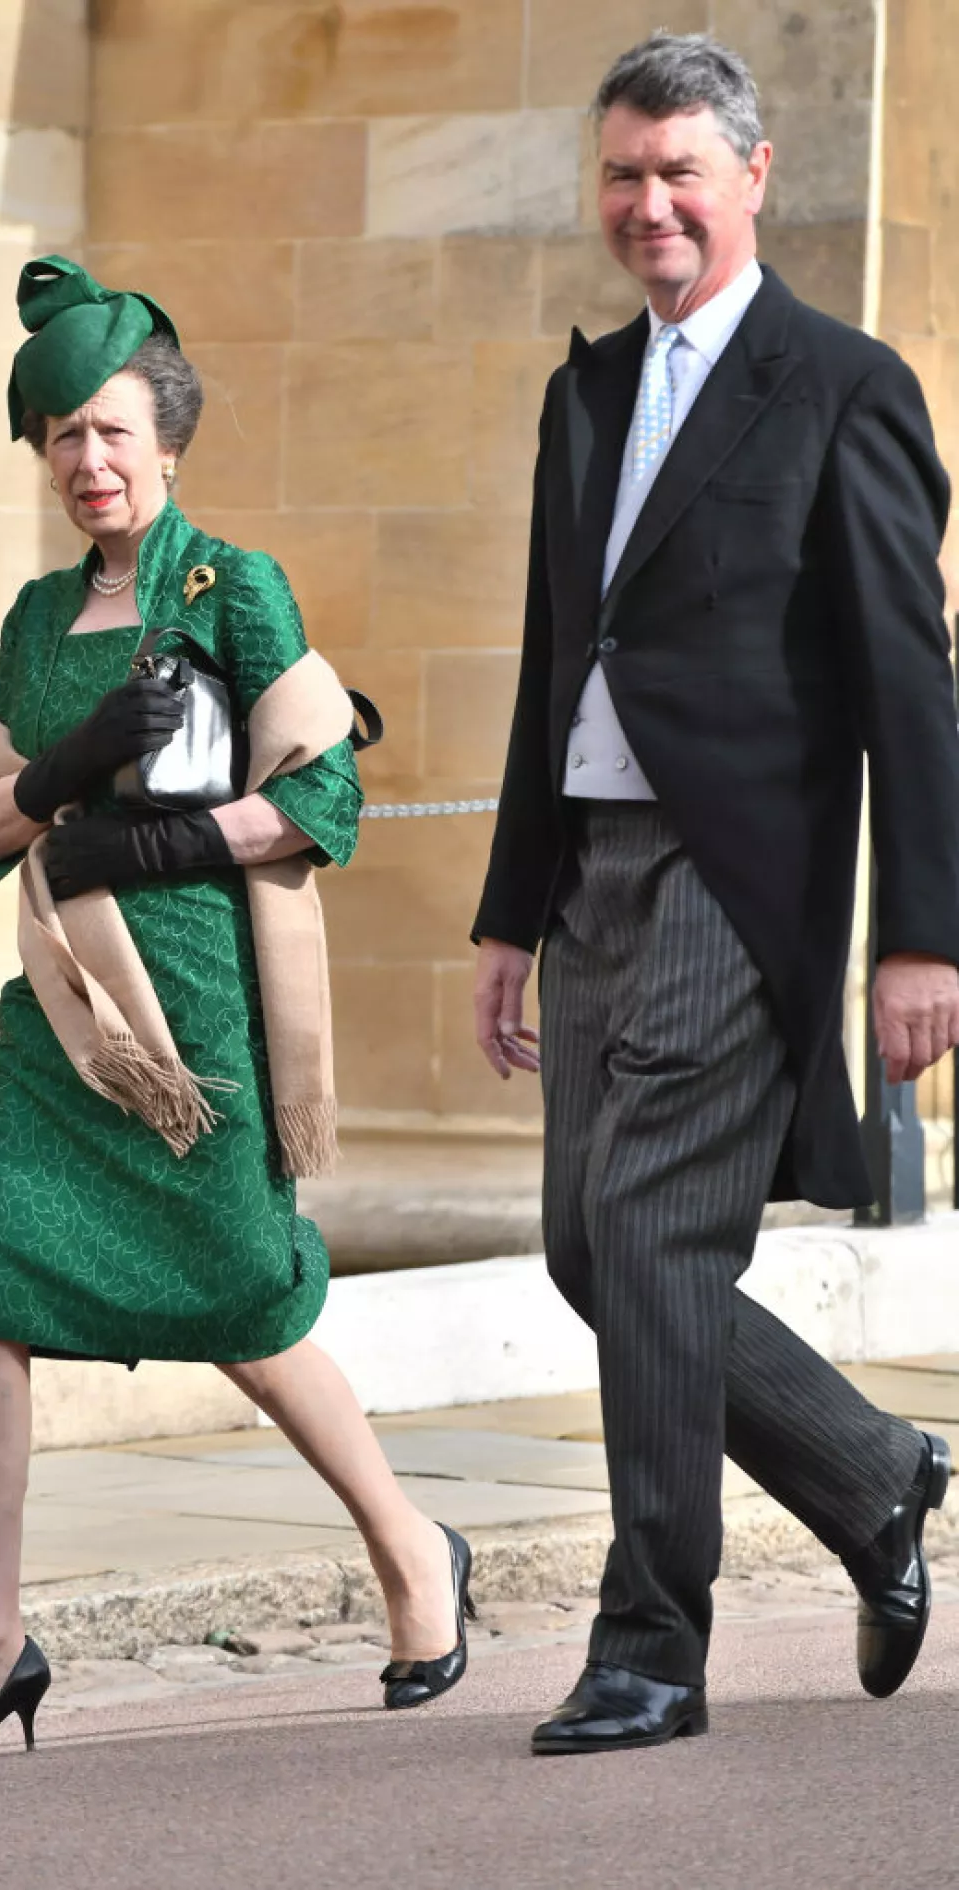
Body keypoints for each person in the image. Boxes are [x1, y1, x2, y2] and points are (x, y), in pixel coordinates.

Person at [0, 257, 473, 1771]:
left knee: (247, 1308)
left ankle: (412, 1548)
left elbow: (323, 799)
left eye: (114, 430)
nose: (90, 461)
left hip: (203, 1010)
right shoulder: (29, 619)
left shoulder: (237, 587)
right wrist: (73, 759)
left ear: (169, 436)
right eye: (63, 436)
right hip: (70, 1011)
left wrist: (161, 838)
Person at [473, 33, 959, 1756]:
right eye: (624, 172)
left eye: (682, 169)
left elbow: (913, 677)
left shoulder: (843, 384)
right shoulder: (586, 393)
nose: (650, 202)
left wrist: (923, 931)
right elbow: (556, 656)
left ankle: (651, 1646)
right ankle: (874, 1473)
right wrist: (508, 908)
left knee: (659, 1238)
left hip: (732, 882)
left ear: (753, 178)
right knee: (594, 1252)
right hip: (592, 872)